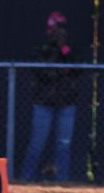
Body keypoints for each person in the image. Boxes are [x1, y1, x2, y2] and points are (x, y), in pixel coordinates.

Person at [21, 11, 80, 181]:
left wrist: (64, 50)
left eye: (63, 29)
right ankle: (26, 179)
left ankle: (62, 181)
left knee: (63, 145)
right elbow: (42, 72)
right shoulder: (42, 48)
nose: (60, 32)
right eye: (57, 28)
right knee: (36, 144)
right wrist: (57, 62)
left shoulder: (69, 49)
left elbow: (75, 70)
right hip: (44, 103)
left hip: (66, 103)